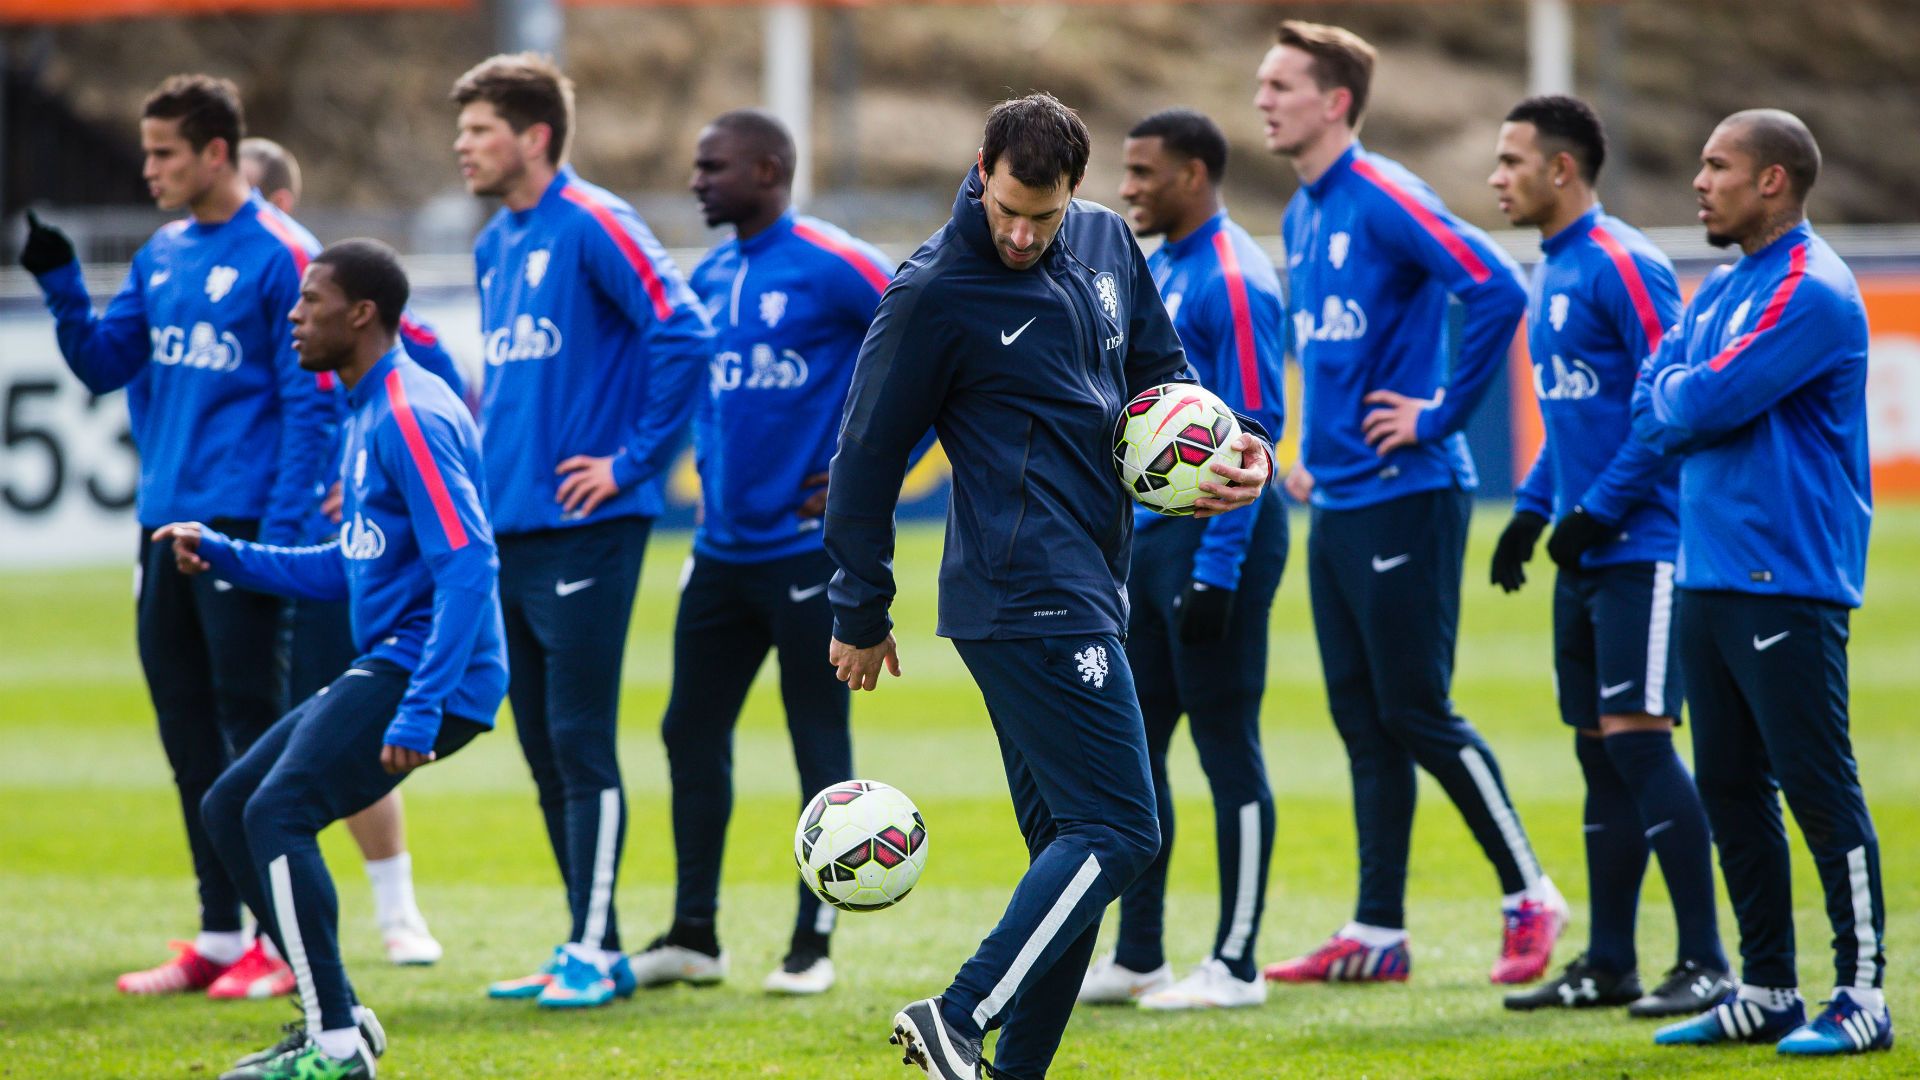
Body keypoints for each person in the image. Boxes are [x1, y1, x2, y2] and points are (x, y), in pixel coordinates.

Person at [825, 93, 1270, 1080]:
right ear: (981, 170)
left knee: (1071, 853)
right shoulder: (934, 290)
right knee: (1122, 829)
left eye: (1046, 215)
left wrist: (1228, 454)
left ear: (1078, 191)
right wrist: (859, 609)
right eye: (1008, 209)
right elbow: (863, 460)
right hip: (1021, 593)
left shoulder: (1108, 243)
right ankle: (960, 1012)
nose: (1023, 235)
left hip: (1087, 584)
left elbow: (1166, 379)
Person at [1253, 22, 1567, 988]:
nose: (1263, 99)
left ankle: (1531, 894)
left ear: (1335, 101)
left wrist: (1437, 416)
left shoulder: (1384, 194)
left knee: (1417, 710)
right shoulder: (1304, 213)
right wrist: (1313, 452)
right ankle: (1378, 931)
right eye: (1261, 85)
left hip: (1410, 495)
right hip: (1341, 498)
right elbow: (1339, 348)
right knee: (1362, 718)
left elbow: (1497, 287)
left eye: (1281, 86)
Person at [163, 238, 506, 1079]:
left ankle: (335, 1044)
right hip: (399, 660)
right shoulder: (364, 412)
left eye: (311, 300)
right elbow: (348, 564)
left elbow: (469, 566)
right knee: (230, 803)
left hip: (428, 669)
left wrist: (423, 704)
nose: (293, 313)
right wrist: (230, 553)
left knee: (276, 810)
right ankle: (340, 1013)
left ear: (361, 314)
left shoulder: (407, 415)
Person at [18, 73, 328, 997]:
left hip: (238, 529)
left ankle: (285, 945)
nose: (148, 168)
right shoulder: (160, 253)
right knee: (188, 731)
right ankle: (221, 933)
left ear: (217, 153)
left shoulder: (283, 253)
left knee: (258, 733)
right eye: (148, 150)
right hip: (163, 527)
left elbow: (308, 405)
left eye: (164, 153)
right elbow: (104, 363)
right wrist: (61, 279)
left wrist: (272, 544)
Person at [451, 53, 714, 1009]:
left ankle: (599, 948)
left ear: (535, 136)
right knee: (540, 746)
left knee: (579, 737)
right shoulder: (493, 245)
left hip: (587, 525)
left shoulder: (596, 220)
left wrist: (633, 460)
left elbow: (682, 332)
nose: (462, 147)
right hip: (511, 526)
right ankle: (579, 938)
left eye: (479, 130)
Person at [624, 109, 896, 997]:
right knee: (687, 732)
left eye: (715, 165)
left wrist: (866, 476)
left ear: (770, 167)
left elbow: (927, 339)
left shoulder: (834, 261)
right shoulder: (711, 271)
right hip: (720, 552)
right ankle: (694, 935)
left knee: (816, 740)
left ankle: (812, 945)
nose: (698, 178)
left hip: (805, 557)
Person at [1634, 110, 1889, 1057]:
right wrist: (1677, 395)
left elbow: (1697, 401)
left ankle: (1863, 993)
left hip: (1787, 575)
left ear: (1773, 181)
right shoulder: (1723, 285)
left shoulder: (1811, 291)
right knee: (1732, 789)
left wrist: (1678, 395)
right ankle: (1769, 986)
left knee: (1820, 789)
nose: (1698, 181)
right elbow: (1658, 394)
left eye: (1717, 165)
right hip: (1706, 569)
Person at [1485, 95, 1732, 1018]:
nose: (1496, 177)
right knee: (1600, 756)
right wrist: (1535, 511)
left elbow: (1660, 406)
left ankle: (1707, 958)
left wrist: (1596, 509)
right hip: (1590, 548)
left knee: (1638, 744)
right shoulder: (1552, 272)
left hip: (1646, 547)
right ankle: (1612, 961)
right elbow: (1575, 419)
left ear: (1561, 169)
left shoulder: (1625, 262)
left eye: (1511, 161)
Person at [1077, 107, 1288, 1011]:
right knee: (1139, 752)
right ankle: (1141, 954)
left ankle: (1237, 964)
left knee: (1227, 748)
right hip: (1154, 548)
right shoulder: (1161, 267)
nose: (1127, 189)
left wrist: (1221, 567)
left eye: (1144, 173)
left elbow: (1254, 436)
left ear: (1195, 174)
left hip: (1217, 549)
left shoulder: (1235, 279)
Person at [239, 135, 462, 968]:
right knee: (253, 788)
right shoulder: (338, 367)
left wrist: (369, 485)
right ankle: (266, 943)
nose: (295, 313)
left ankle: (386, 926)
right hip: (320, 558)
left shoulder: (403, 392)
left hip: (375, 593)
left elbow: (466, 559)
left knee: (287, 788)